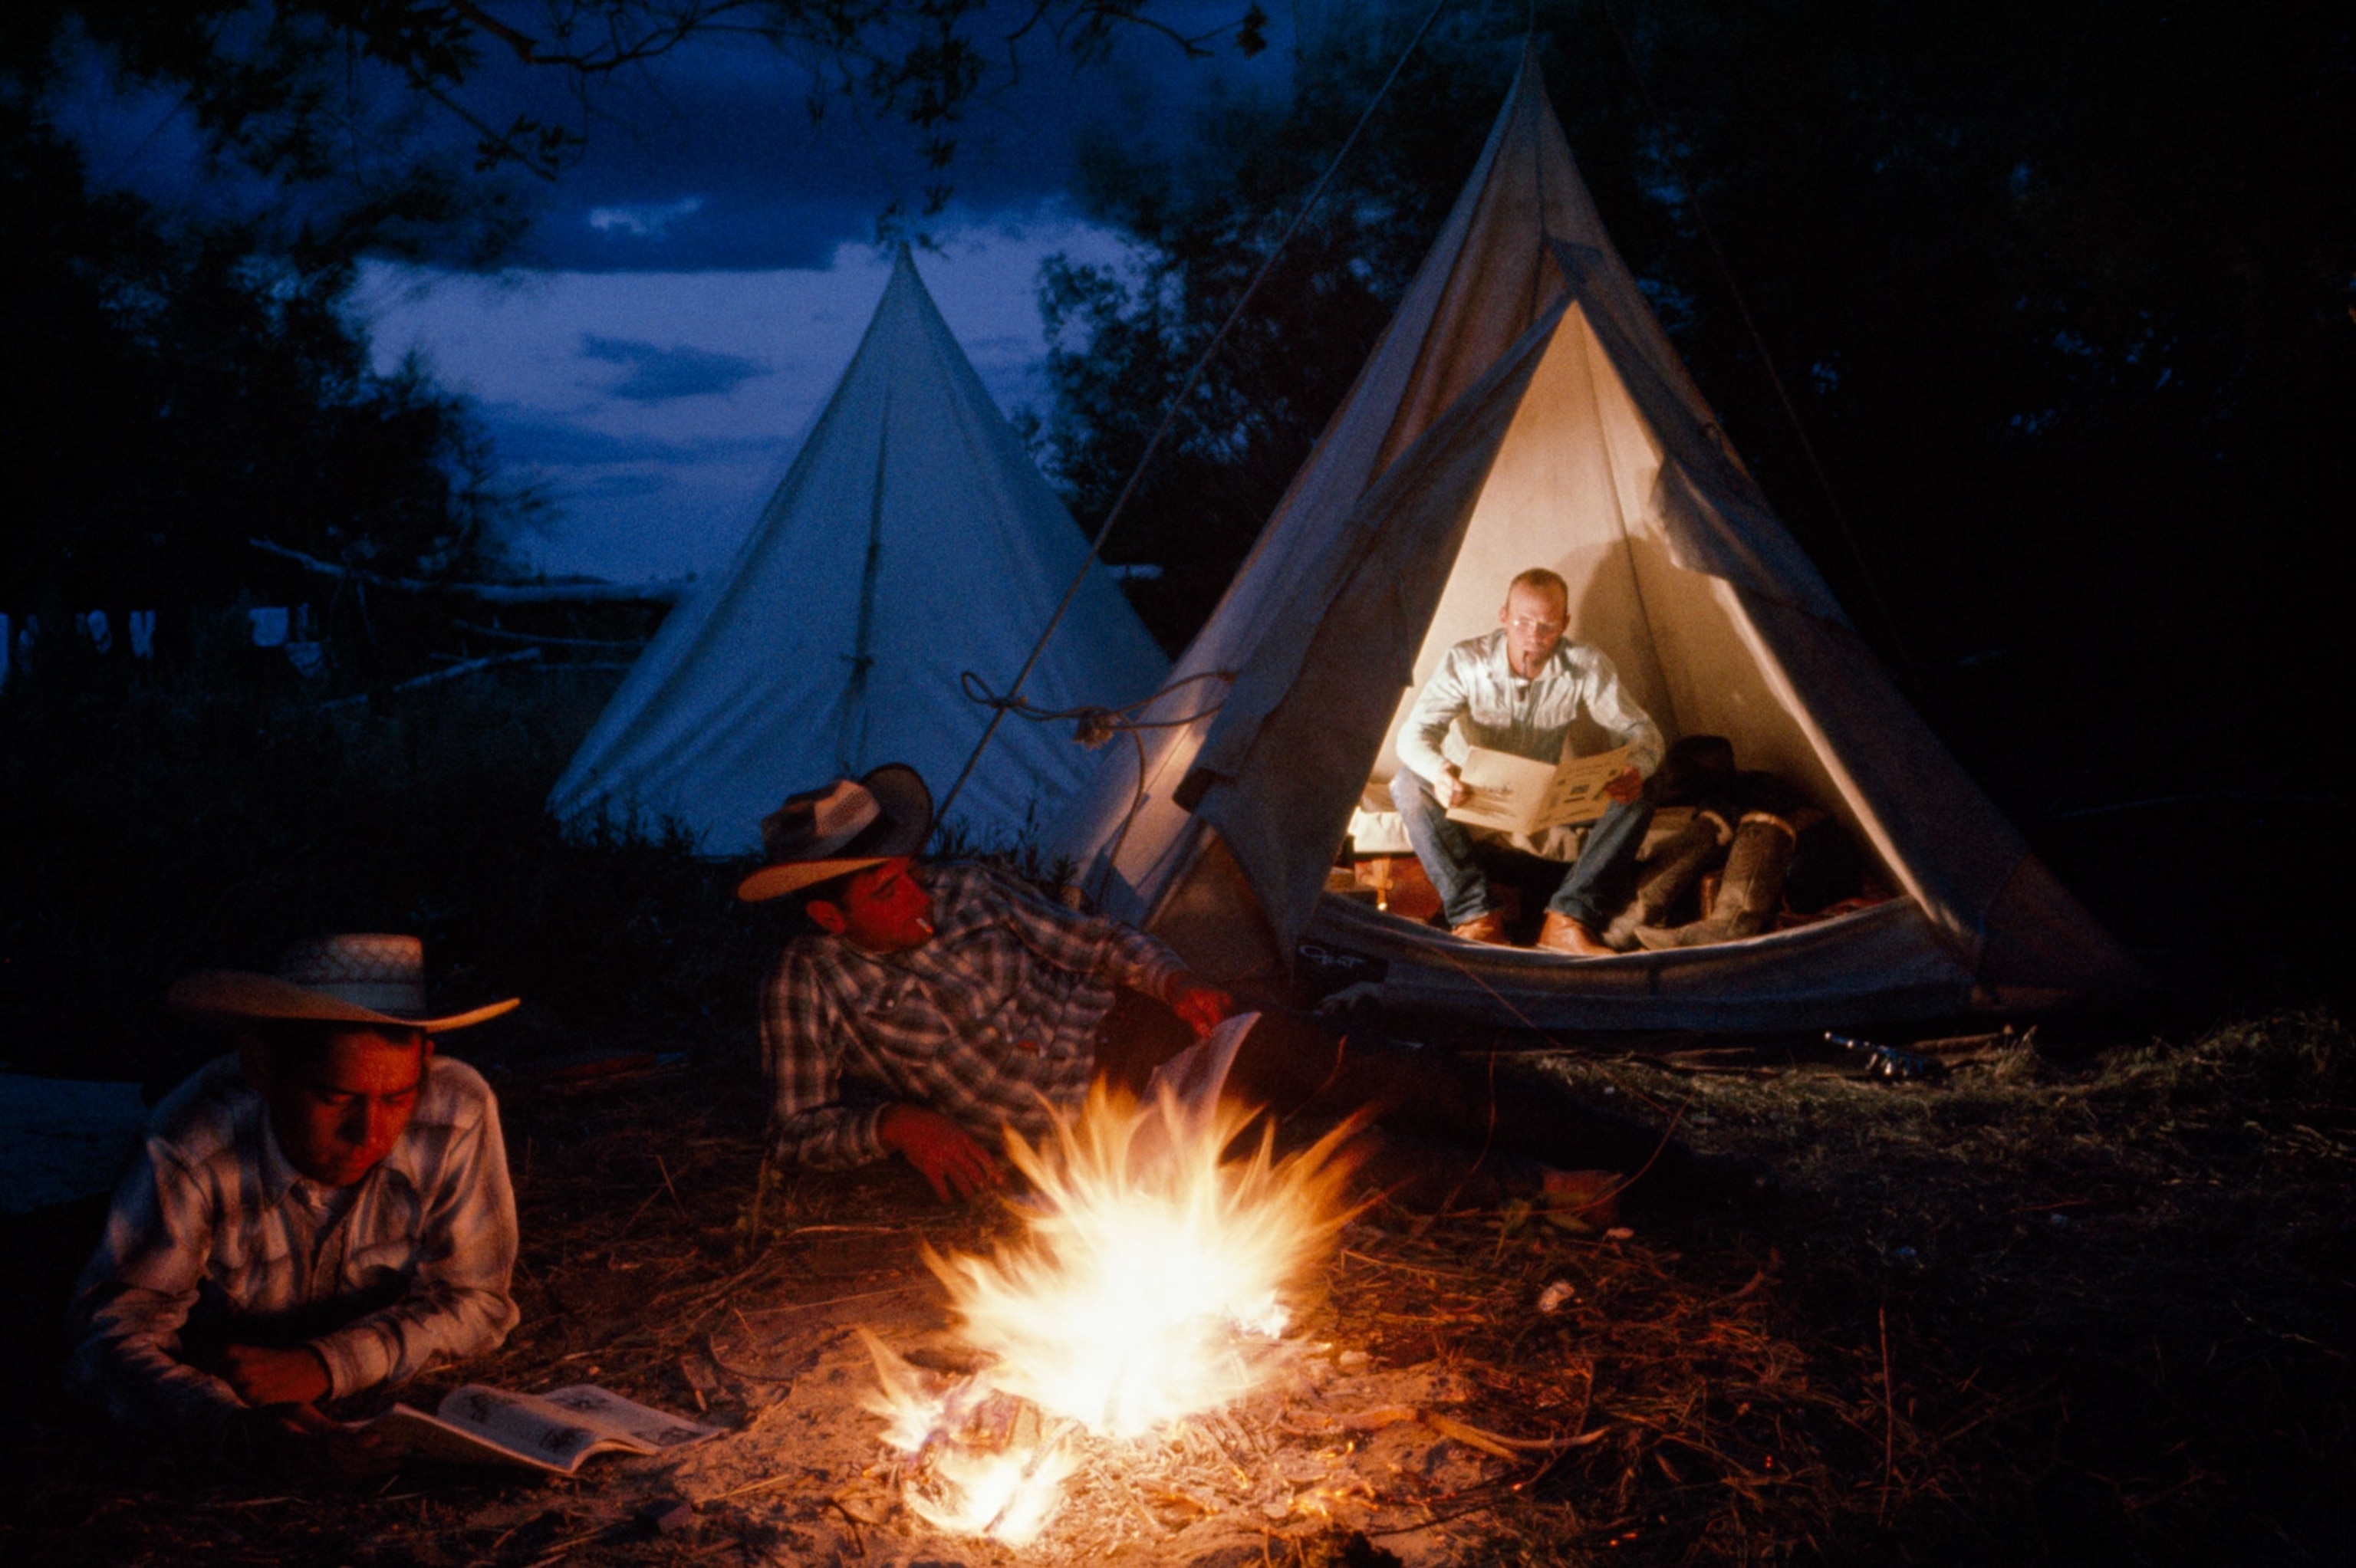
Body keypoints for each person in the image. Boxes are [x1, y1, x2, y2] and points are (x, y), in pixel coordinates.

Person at [745, 765, 1755, 1214]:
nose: (917, 889)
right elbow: (794, 1128)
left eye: (909, 866)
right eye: (887, 885)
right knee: (1317, 1156)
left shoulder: (964, 889)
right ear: (829, 914)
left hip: (1136, 1041)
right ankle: (1540, 1189)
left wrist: (1174, 977)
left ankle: (1663, 1159)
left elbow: (1097, 943)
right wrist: (893, 1127)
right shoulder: (810, 985)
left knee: (1373, 1070)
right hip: (1090, 1131)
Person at [67, 935, 522, 1477]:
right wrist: (234, 1427)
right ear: (261, 1065)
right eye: (335, 1098)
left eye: (397, 1098)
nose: (369, 1134)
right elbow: (111, 1336)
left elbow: (476, 1298)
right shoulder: (195, 1138)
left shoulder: (457, 1110)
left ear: (425, 1060)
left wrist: (326, 1364)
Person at [1390, 567, 1665, 955]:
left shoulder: (1584, 664)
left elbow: (1643, 733)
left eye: (1548, 627)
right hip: (1473, 798)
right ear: (1503, 616)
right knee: (1406, 784)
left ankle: (1567, 918)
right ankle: (1476, 917)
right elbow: (1412, 734)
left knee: (1646, 782)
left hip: (1546, 805)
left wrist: (1634, 767)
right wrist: (1440, 773)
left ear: (1565, 624)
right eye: (1522, 622)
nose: (1534, 637)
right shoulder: (1465, 661)